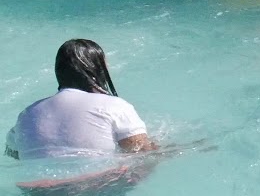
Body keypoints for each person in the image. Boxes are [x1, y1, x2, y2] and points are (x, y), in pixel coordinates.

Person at [5, 39, 157, 160]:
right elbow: (141, 154)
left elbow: (13, 154)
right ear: (97, 70)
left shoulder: (27, 114)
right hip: (98, 186)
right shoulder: (115, 106)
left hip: (40, 192)